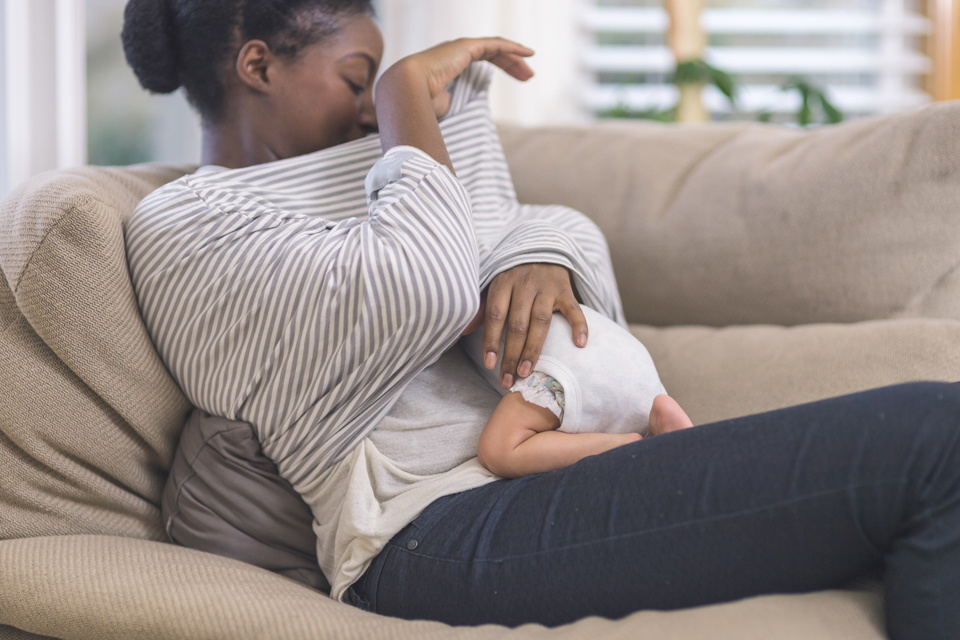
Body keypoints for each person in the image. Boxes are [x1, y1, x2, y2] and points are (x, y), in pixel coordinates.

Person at [120, 1, 960, 638]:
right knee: (935, 435)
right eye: (357, 79)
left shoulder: (375, 180)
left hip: (545, 481)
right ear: (257, 66)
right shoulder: (189, 226)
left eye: (380, 89)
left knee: (926, 452)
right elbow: (429, 286)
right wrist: (408, 90)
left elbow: (556, 272)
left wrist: (540, 253)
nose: (373, 113)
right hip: (427, 536)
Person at [462, 306, 694, 478]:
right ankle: (659, 421)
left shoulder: (468, 277)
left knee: (498, 450)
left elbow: (458, 311)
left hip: (572, 372)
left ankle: (620, 446)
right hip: (633, 364)